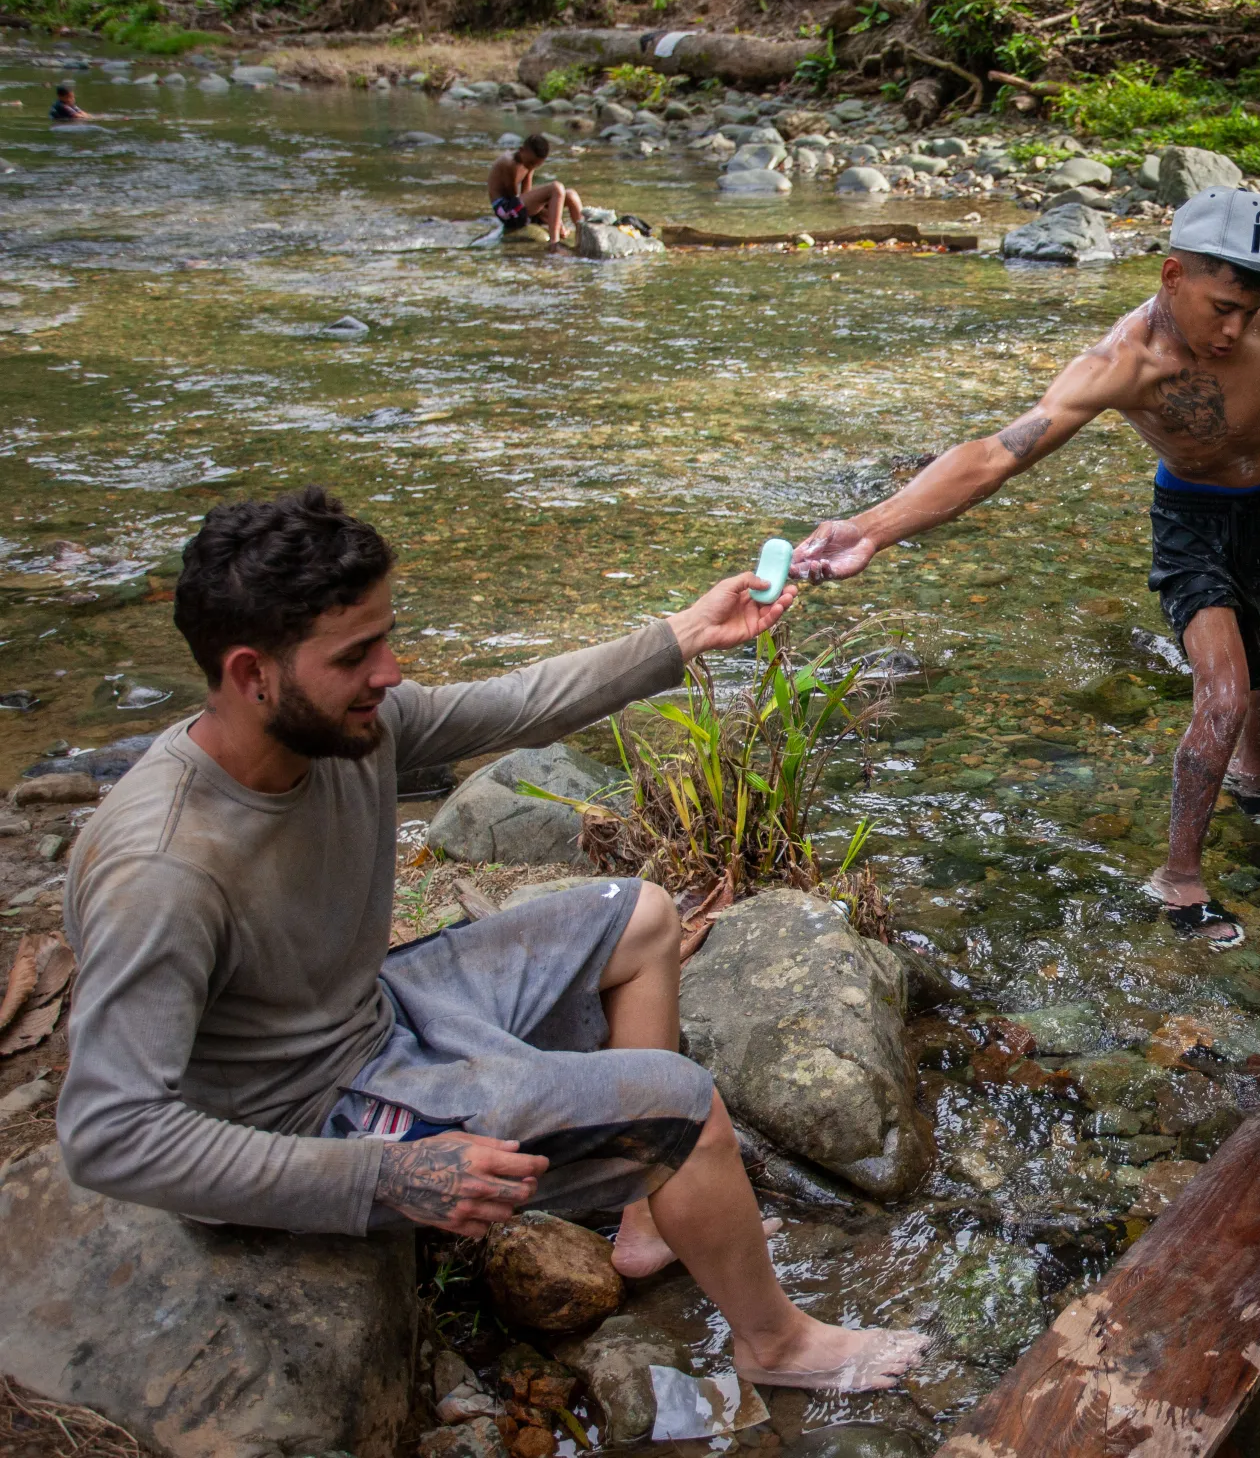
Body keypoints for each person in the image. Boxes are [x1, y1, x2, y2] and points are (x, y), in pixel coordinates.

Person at [59, 488, 927, 1393]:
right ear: (252, 675)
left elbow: (514, 704)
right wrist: (382, 1179)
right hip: (304, 1110)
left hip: (374, 1012)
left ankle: (643, 1224)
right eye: (358, 655)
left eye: (386, 638)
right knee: (682, 1102)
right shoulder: (162, 869)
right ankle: (775, 1345)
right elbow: (109, 1133)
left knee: (641, 916)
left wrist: (683, 634)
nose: (390, 673)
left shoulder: (350, 726)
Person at [792, 188, 1260, 948]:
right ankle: (1179, 875)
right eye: (1220, 308)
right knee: (1222, 697)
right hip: (1192, 520)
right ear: (1172, 275)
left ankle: (1250, 778)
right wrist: (872, 529)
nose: (1235, 330)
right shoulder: (1122, 363)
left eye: (1251, 307)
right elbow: (994, 455)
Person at [487, 133, 582, 247]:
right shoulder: (509, 163)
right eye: (531, 163)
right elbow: (513, 198)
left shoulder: (528, 164)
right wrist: (552, 219)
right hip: (507, 211)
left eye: (536, 165)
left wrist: (552, 213)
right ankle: (554, 243)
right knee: (556, 188)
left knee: (571, 194)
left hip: (518, 208)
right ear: (521, 150)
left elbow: (526, 194)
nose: (531, 167)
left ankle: (583, 237)